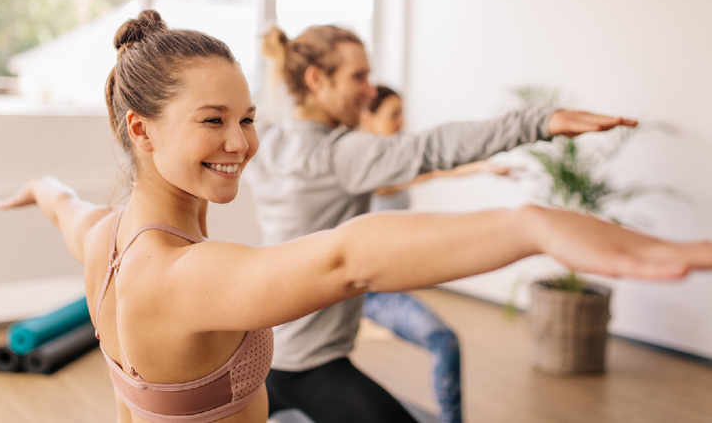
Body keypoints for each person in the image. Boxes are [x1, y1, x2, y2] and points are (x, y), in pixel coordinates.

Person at [0, 11, 712, 423]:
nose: (242, 142)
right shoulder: (188, 276)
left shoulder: (103, 235)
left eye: (246, 118)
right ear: (142, 129)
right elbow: (348, 257)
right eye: (212, 120)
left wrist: (40, 183)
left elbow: (64, 201)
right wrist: (530, 226)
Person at [247, 24, 706, 423]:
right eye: (359, 76)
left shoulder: (265, 137)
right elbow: (433, 147)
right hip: (309, 363)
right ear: (315, 79)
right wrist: (537, 121)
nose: (371, 89)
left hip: (264, 347)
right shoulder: (338, 153)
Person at [359, 84, 519, 423]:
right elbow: (423, 171)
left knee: (445, 343)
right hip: (358, 290)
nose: (402, 122)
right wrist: (478, 167)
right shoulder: (363, 166)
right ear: (367, 117)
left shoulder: (390, 159)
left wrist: (480, 166)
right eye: (394, 114)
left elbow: (426, 170)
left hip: (381, 286)